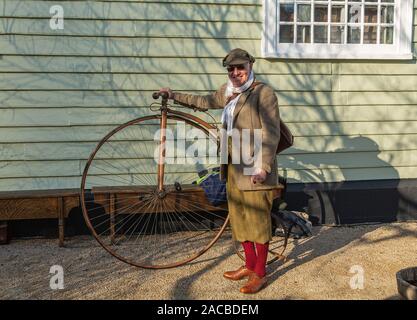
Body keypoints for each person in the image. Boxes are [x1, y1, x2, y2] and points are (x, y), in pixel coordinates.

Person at [159, 48, 281, 294]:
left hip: (253, 161)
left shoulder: (263, 93)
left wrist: (263, 167)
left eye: (240, 68)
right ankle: (248, 265)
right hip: (232, 162)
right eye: (231, 69)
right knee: (240, 217)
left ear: (250, 66)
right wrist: (173, 95)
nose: (236, 73)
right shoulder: (228, 92)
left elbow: (271, 133)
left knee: (256, 219)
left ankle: (260, 273)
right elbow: (203, 101)